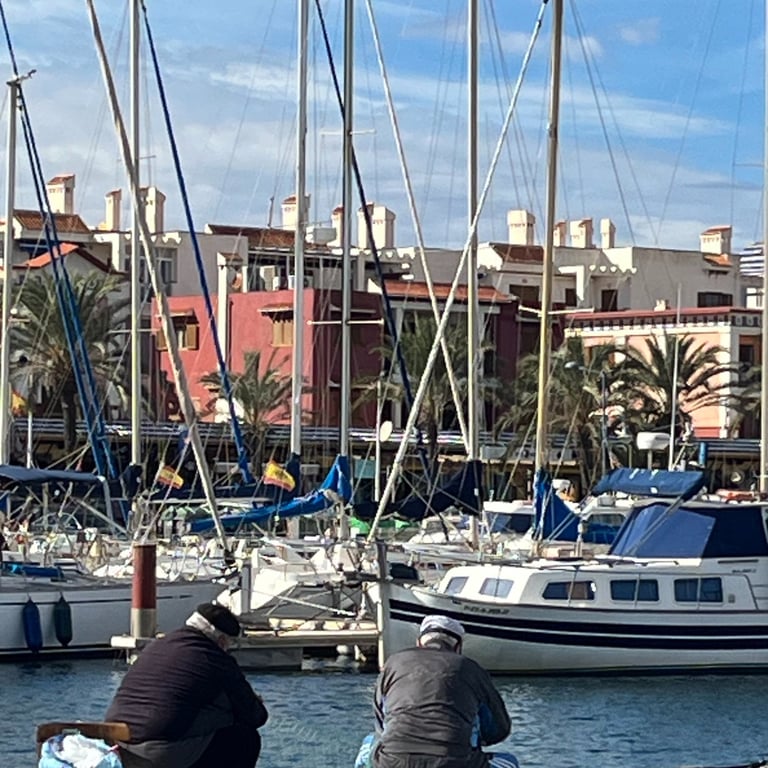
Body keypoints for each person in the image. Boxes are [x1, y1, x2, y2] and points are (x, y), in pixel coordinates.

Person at [106, 601, 268, 768]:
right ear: (221, 641)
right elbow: (256, 716)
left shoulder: (156, 646)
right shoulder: (217, 660)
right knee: (245, 738)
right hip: (157, 754)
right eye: (231, 644)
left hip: (117, 745)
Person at [361, 614, 516, 768]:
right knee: (509, 762)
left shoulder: (393, 664)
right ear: (458, 647)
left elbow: (380, 721)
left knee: (368, 743)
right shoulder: (472, 669)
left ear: (419, 642)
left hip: (390, 762)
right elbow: (499, 729)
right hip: (454, 763)